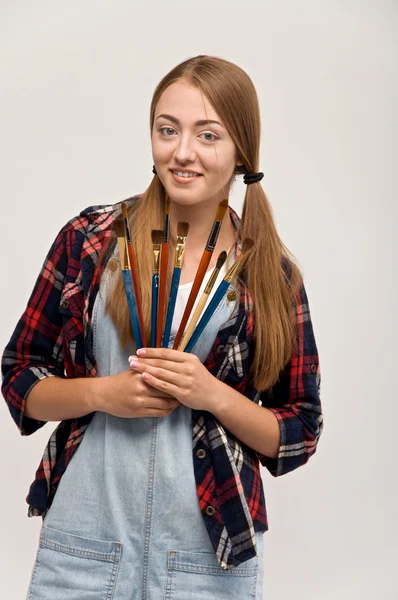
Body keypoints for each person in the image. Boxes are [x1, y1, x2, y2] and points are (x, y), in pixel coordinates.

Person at [1, 55, 323, 599]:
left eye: (208, 134)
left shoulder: (272, 275)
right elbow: (18, 379)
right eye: (167, 129)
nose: (182, 152)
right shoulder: (92, 240)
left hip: (207, 560)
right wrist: (102, 394)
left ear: (242, 149)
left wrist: (212, 394)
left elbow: (300, 430)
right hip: (83, 550)